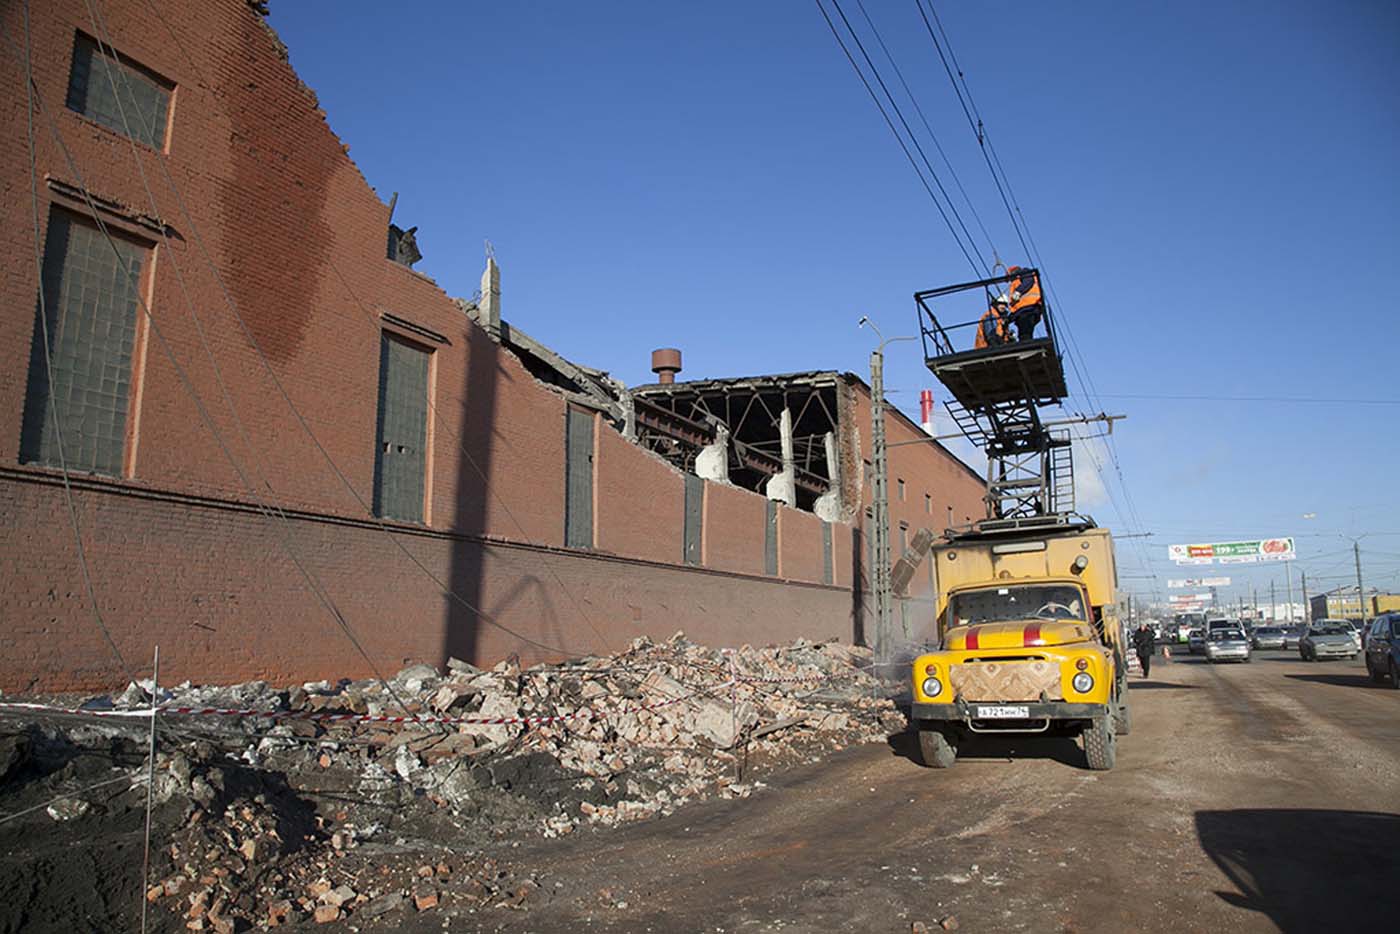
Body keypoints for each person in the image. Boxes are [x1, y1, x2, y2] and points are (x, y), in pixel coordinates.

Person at [1005, 265, 1044, 342]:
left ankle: (1027, 346)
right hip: (1024, 311)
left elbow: (1028, 281)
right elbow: (1017, 307)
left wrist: (1018, 291)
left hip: (1028, 310)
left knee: (1025, 334)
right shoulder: (1017, 281)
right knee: (1024, 334)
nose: (1010, 281)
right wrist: (1009, 319)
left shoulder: (1023, 272)